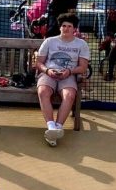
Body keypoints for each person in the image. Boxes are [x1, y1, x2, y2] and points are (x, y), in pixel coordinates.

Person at [35, 12, 90, 146]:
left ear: (74, 29)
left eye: (69, 26)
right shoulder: (49, 41)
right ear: (60, 27)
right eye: (63, 26)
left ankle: (58, 127)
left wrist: (70, 71)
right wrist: (47, 70)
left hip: (69, 75)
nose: (66, 28)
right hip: (49, 74)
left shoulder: (81, 44)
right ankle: (51, 127)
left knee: (70, 95)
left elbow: (83, 67)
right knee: (43, 91)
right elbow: (39, 63)